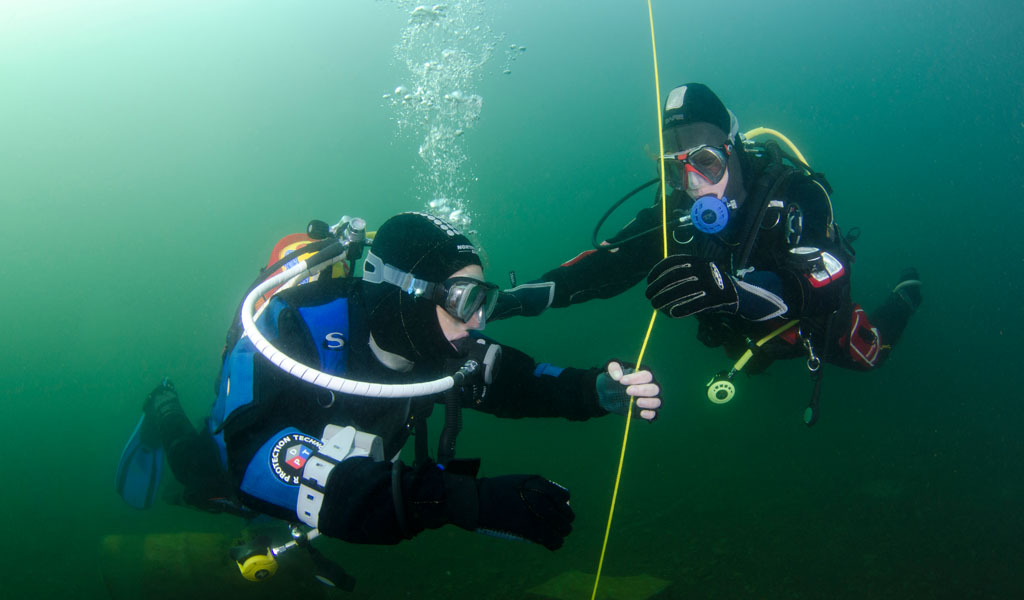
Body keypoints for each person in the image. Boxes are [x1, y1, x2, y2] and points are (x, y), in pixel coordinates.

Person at [116, 212, 662, 556]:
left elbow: (517, 380)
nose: (480, 322)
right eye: (466, 300)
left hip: (345, 471)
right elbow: (256, 462)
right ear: (406, 294)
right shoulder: (289, 328)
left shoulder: (438, 347)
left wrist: (596, 391)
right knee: (202, 476)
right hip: (241, 456)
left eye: (486, 299)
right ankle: (163, 406)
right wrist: (457, 501)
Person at [494, 83, 920, 421]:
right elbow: (607, 265)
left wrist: (733, 291)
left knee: (870, 355)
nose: (694, 184)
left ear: (732, 151)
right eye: (676, 168)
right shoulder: (677, 213)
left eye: (706, 162)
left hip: (807, 326)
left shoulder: (797, 195)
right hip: (746, 342)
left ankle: (904, 297)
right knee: (752, 362)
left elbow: (829, 283)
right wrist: (516, 299)